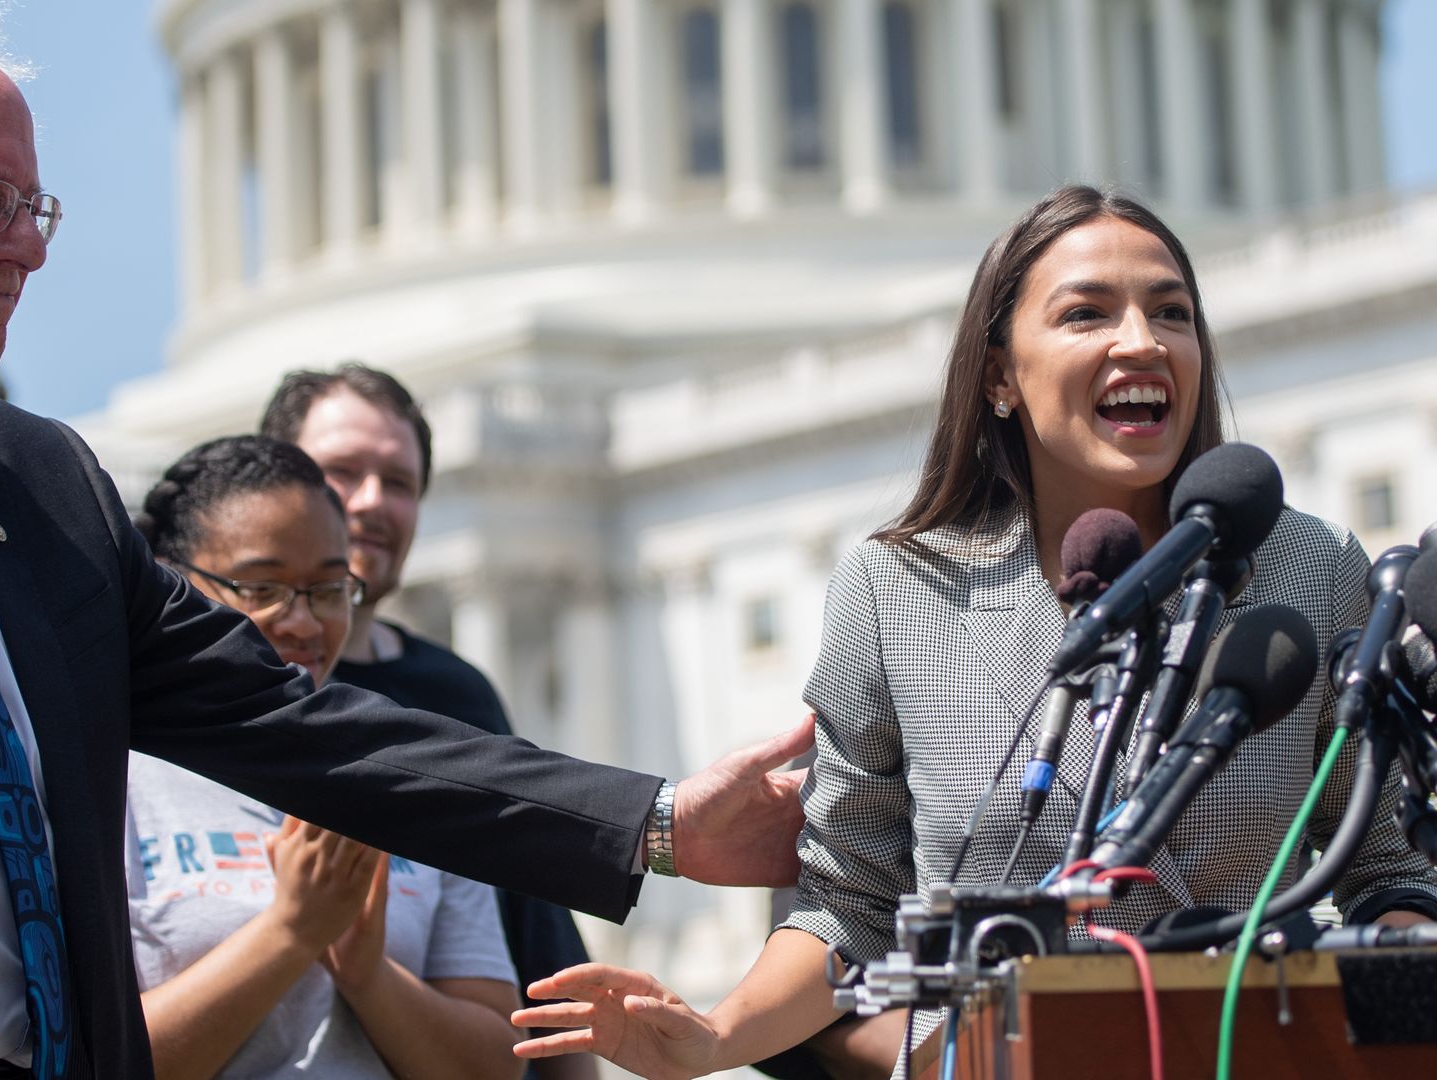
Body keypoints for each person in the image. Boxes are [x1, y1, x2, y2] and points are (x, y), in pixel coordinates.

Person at [0, 9, 810, 1079]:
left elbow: (297, 722)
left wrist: (655, 822)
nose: (27, 246)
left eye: (35, 205)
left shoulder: (32, 476)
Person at [509, 186, 1437, 1079]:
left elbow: (1390, 868)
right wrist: (712, 1037)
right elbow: (849, 907)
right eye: (1086, 314)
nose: (1141, 341)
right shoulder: (896, 592)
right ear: (998, 373)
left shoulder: (1309, 570)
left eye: (1172, 312)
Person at [126, 435, 521, 1079]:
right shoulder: (112, 778)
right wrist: (291, 932)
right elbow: (91, 1059)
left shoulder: (413, 778)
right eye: (262, 587)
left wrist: (368, 974)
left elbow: (494, 1067)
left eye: (329, 588)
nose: (303, 623)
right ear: (171, 582)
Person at [260, 363, 601, 1080]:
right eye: (343, 472)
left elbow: (538, 927)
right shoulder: (234, 691)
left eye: (400, 483)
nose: (372, 502)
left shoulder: (456, 693)